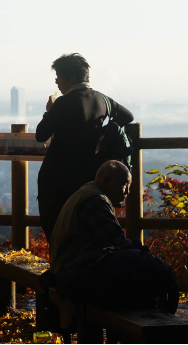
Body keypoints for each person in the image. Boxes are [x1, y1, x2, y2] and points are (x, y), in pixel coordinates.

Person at [46, 161, 179, 332]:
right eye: (124, 185)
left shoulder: (86, 192)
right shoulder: (95, 201)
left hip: (68, 269)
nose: (127, 192)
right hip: (74, 273)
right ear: (107, 180)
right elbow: (116, 242)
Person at [35, 53, 134, 242]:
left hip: (56, 179)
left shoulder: (63, 103)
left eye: (58, 78)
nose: (57, 83)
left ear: (71, 78)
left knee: (57, 232)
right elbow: (128, 117)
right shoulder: (103, 100)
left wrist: (49, 111)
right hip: (88, 179)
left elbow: (41, 135)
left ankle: (60, 268)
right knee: (84, 235)